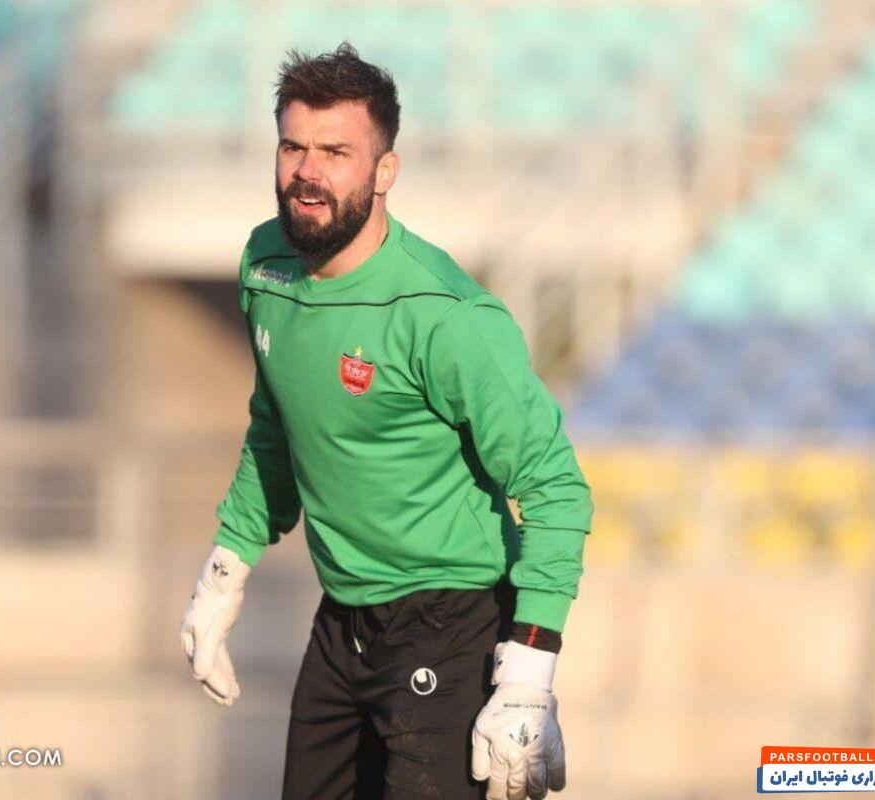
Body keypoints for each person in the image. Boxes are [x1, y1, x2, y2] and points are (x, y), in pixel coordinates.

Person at [180, 42, 593, 800]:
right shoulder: (265, 265)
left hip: (452, 621)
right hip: (342, 622)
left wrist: (528, 673)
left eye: (336, 152)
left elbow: (556, 488)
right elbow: (276, 423)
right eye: (293, 147)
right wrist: (224, 571)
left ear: (384, 170)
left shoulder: (445, 316)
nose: (308, 172)